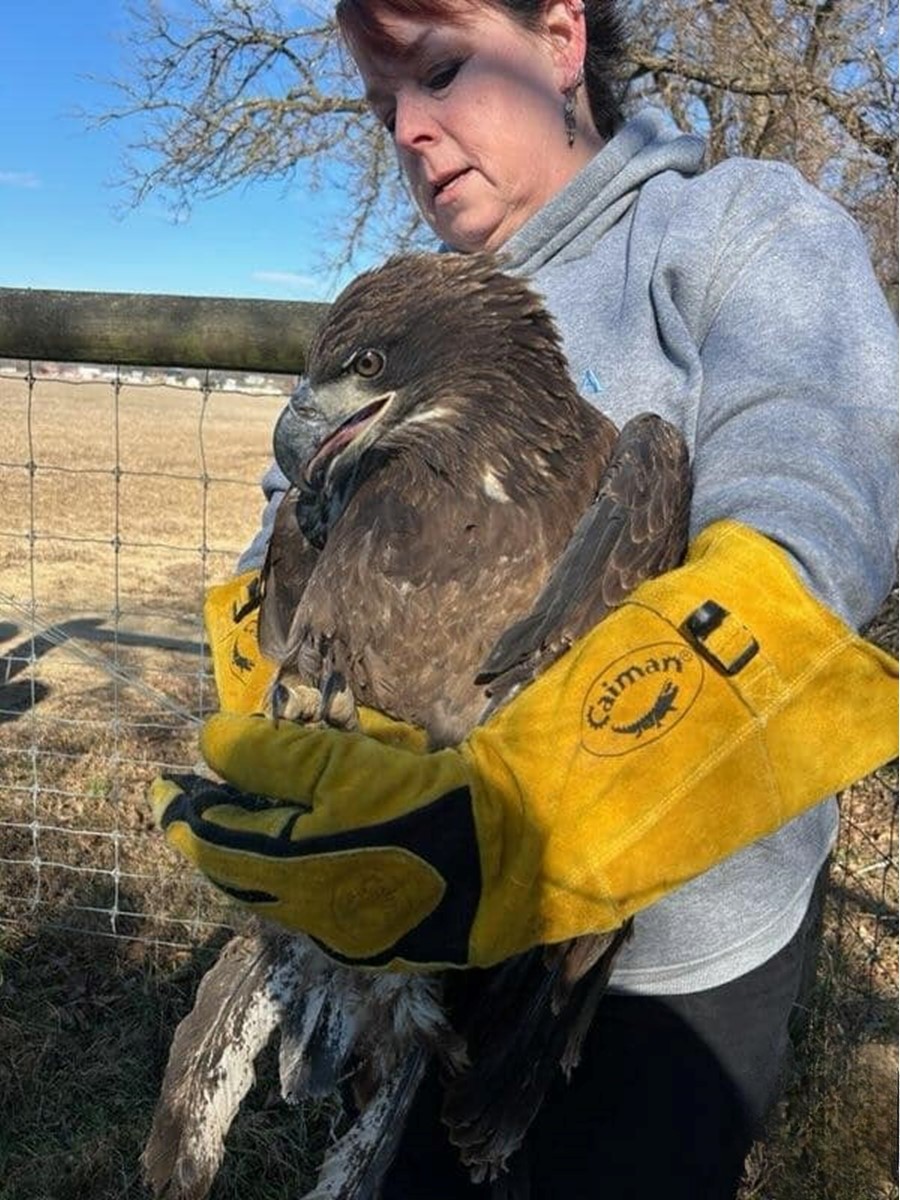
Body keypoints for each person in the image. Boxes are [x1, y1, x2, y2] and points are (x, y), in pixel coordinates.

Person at [153, 1, 899, 1196]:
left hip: (674, 969)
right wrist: (286, 741)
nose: (408, 130)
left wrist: (539, 812)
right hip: (407, 926)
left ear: (560, 41)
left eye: (441, 72)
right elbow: (271, 561)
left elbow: (818, 526)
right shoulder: (399, 315)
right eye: (381, 103)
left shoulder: (741, 229)